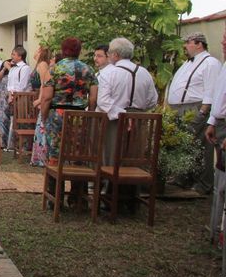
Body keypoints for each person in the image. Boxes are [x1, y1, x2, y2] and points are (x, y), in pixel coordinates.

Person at [41, 38, 98, 206]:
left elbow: (47, 97)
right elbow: (93, 98)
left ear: (63, 50)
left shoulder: (55, 69)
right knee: (78, 154)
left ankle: (55, 198)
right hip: (80, 116)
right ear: (79, 50)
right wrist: (90, 114)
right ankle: (77, 197)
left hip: (58, 114)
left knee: (54, 154)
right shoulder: (88, 69)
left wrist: (44, 116)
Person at [167, 32, 221, 194]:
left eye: (188, 42)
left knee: (200, 145)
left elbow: (211, 89)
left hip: (196, 108)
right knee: (184, 145)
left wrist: (203, 111)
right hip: (180, 109)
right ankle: (183, 177)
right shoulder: (188, 63)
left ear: (199, 44)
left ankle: (203, 183)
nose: (185, 46)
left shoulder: (210, 63)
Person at [97, 38, 159, 167]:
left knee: (112, 152)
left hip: (115, 119)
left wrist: (122, 113)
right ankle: (132, 185)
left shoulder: (109, 73)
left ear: (115, 55)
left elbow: (103, 101)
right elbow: (153, 100)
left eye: (108, 53)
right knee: (135, 153)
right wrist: (138, 110)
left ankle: (110, 184)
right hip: (139, 119)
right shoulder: (144, 73)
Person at [206, 29, 226, 245]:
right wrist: (212, 120)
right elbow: (219, 96)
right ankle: (216, 229)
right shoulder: (224, 65)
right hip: (219, 124)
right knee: (220, 181)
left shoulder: (214, 64)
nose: (222, 41)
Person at [30, 46, 51, 167]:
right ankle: (38, 157)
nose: (35, 51)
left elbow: (45, 84)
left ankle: (42, 158)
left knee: (41, 127)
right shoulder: (39, 64)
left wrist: (40, 100)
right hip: (38, 95)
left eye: (37, 50)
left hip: (41, 97)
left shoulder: (42, 65)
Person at [0, 51, 15, 150]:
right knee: (2, 118)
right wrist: (4, 68)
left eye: (14, 54)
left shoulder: (20, 67)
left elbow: (15, 77)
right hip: (3, 96)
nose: (12, 56)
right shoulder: (6, 62)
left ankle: (10, 143)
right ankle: (1, 141)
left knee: (10, 119)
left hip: (12, 95)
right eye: (12, 54)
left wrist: (9, 68)